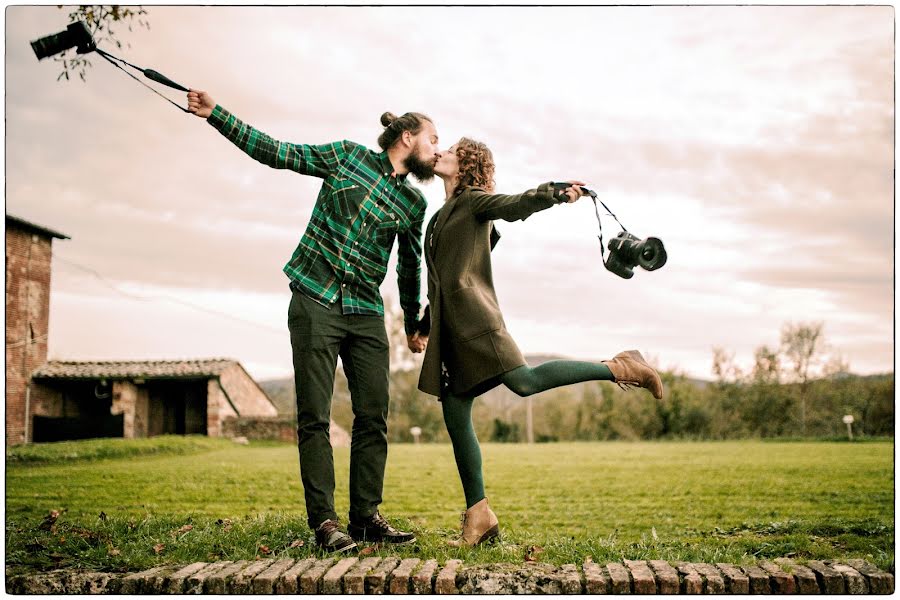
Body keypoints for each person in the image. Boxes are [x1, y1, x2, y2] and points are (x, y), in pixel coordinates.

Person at [187, 89, 437, 553]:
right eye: (433, 139)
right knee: (315, 418)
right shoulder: (345, 157)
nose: (437, 150)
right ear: (407, 137)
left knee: (373, 417)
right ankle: (324, 522)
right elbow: (279, 153)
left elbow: (409, 266)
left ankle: (365, 518)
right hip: (315, 300)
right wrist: (216, 114)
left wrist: (411, 322)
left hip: (365, 313)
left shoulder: (413, 206)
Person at [416, 137, 664, 547]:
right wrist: (425, 324)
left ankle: (620, 367)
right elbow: (440, 280)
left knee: (524, 382)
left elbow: (513, 205)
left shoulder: (476, 201)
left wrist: (553, 193)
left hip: (476, 321)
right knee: (455, 412)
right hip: (450, 328)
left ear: (466, 164)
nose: (440, 153)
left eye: (451, 150)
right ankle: (479, 516)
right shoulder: (438, 218)